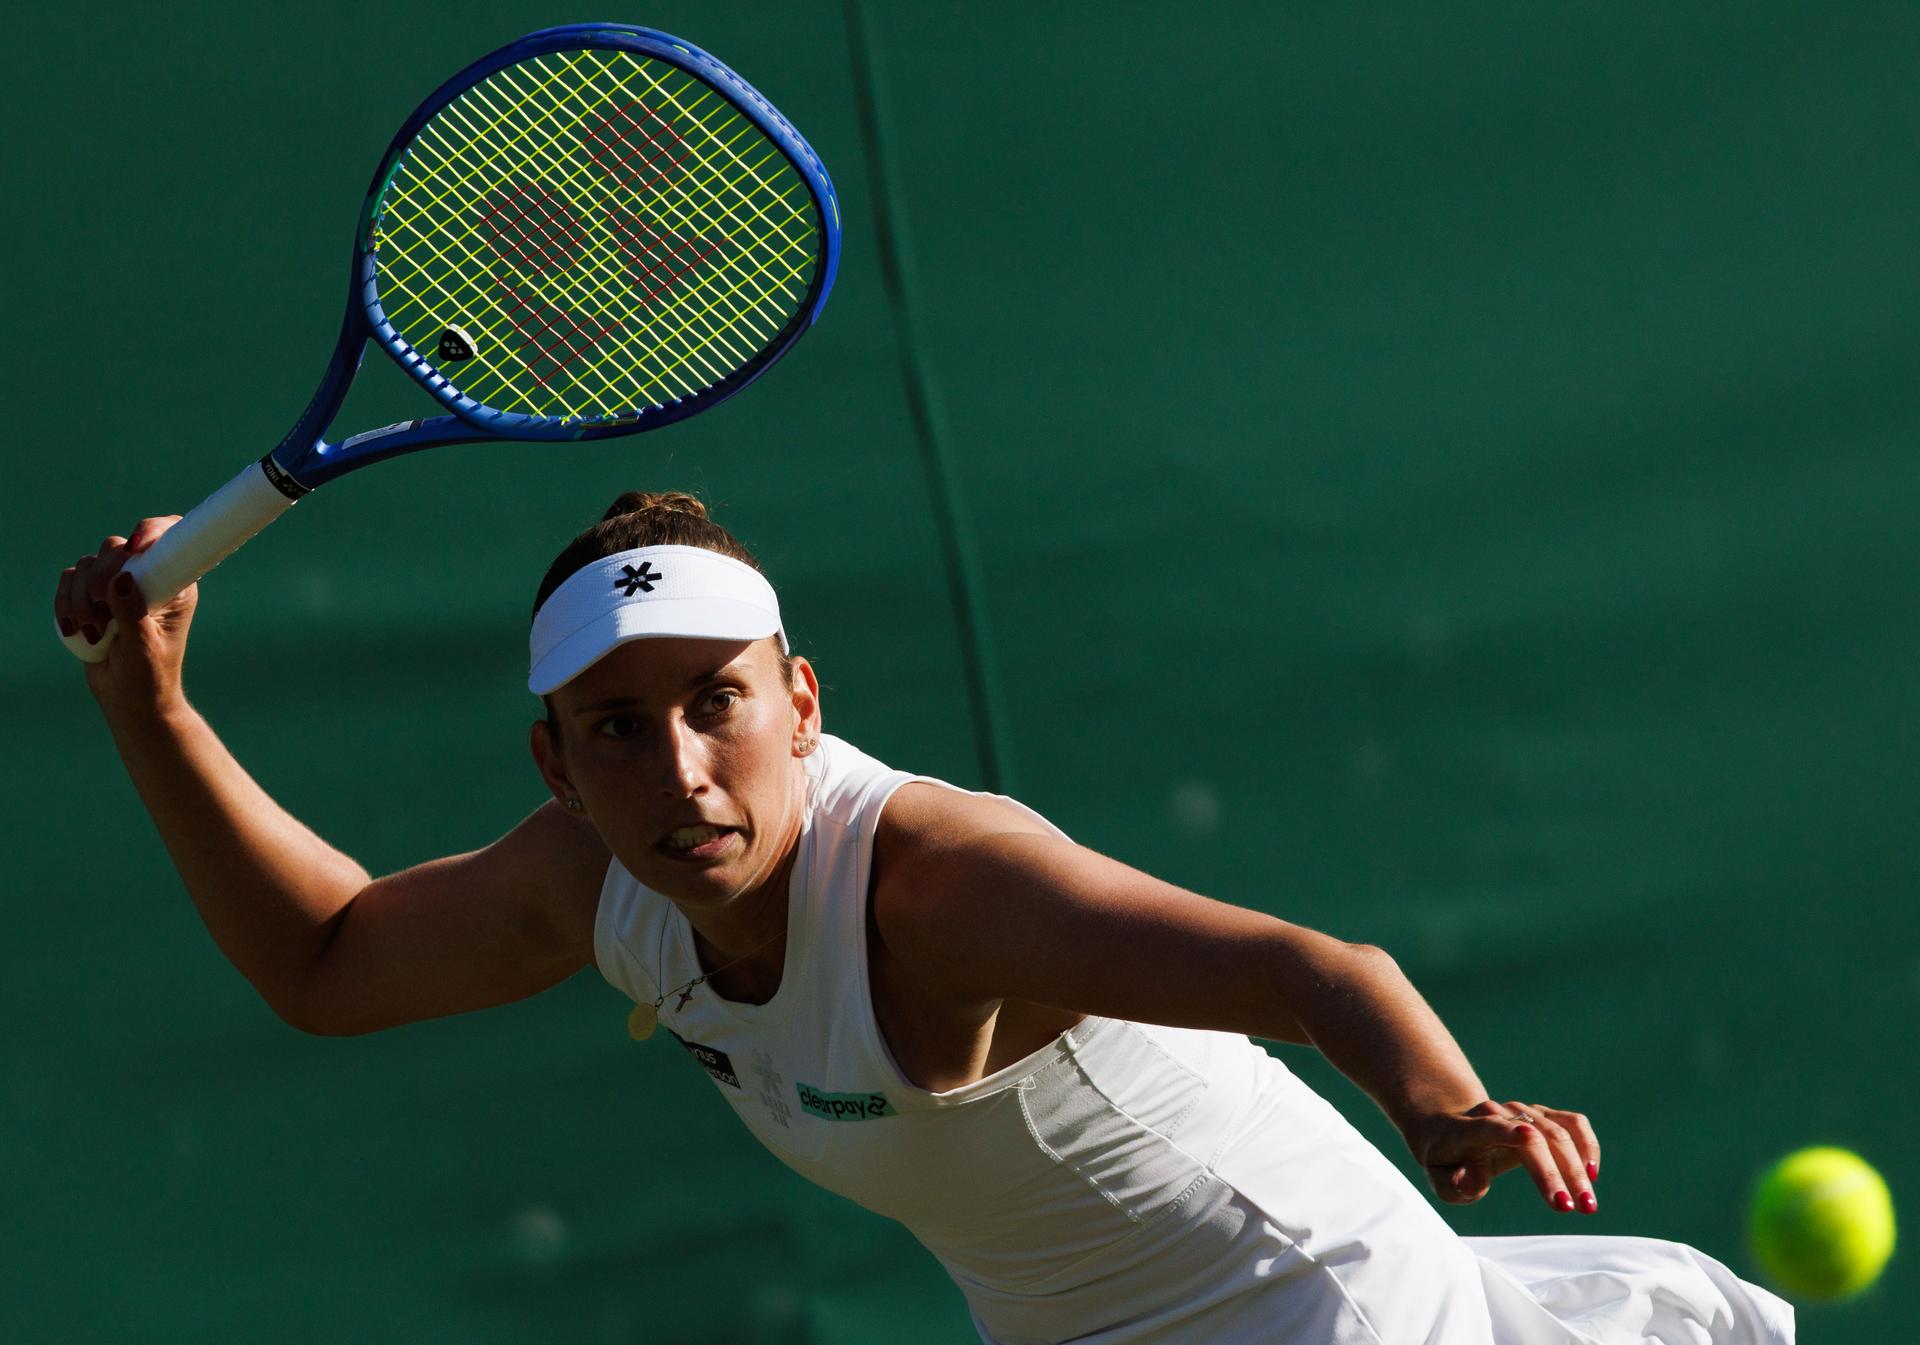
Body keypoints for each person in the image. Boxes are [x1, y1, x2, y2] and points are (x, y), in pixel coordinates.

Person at [57, 491, 1794, 1344]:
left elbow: (1308, 968)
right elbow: (327, 959)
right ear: (555, 758)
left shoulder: (940, 884)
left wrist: (1443, 1102)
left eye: (714, 699)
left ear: (801, 702)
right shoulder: (597, 877)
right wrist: (151, 710)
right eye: (614, 725)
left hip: (1330, 1319)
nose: (677, 765)